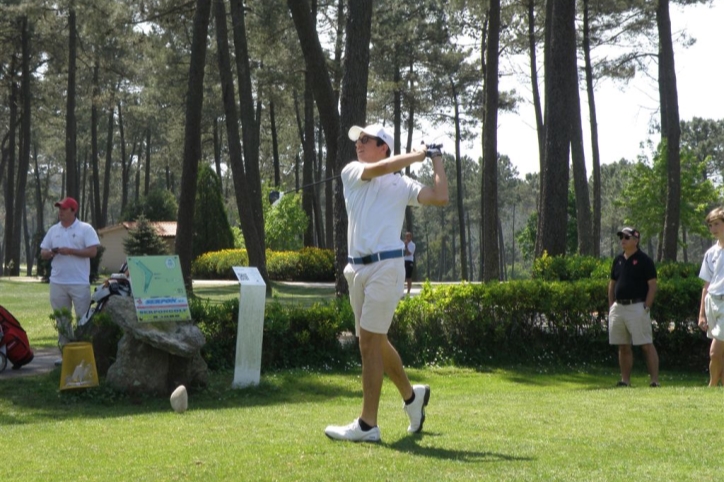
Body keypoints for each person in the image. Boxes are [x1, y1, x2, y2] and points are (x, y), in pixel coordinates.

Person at [324, 123, 448, 443]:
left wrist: (435, 159)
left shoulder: (402, 184)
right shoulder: (353, 171)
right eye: (358, 140)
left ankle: (368, 425)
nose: (359, 144)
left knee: (368, 342)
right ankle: (411, 396)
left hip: (387, 267)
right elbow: (382, 168)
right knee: (376, 341)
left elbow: (440, 196)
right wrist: (419, 153)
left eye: (366, 140)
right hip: (357, 271)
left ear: (384, 146)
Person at [40, 197, 100, 364]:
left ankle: (84, 356)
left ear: (74, 211)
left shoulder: (85, 229)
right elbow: (43, 252)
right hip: (57, 282)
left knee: (83, 319)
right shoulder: (53, 230)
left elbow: (93, 251)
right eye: (59, 209)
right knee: (62, 320)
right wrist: (49, 253)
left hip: (79, 282)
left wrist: (71, 251)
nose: (60, 212)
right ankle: (66, 356)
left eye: (64, 209)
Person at [607, 227, 660, 387]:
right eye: (621, 237)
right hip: (619, 308)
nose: (623, 240)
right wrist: (611, 306)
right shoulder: (618, 260)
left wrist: (646, 306)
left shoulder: (644, 260)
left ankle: (654, 381)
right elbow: (612, 285)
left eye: (626, 237)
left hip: (637, 306)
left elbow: (652, 285)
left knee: (645, 344)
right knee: (623, 345)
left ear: (636, 240)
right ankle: (625, 380)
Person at [697, 207, 724, 386]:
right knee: (720, 350)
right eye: (710, 225)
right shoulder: (711, 253)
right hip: (712, 302)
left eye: (717, 224)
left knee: (715, 351)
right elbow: (706, 284)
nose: (713, 229)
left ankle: (712, 385)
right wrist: (701, 314)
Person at [403, 231, 415, 296]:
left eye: (408, 236)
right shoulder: (403, 244)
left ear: (410, 237)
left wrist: (406, 246)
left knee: (408, 277)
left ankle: (408, 291)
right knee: (403, 275)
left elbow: (408, 253)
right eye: (406, 236)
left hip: (409, 261)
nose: (407, 237)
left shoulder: (412, 245)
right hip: (404, 261)